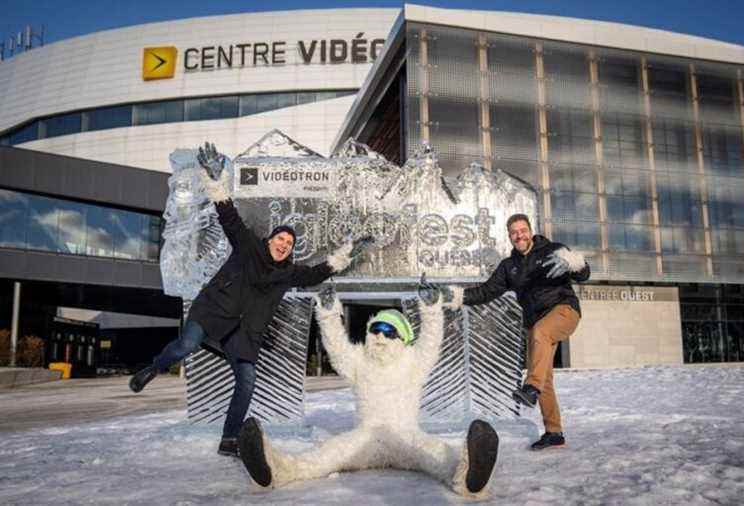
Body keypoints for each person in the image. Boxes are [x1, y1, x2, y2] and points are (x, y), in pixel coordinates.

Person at [129, 144, 372, 457]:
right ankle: (153, 368)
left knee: (247, 382)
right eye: (280, 239)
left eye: (289, 242)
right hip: (213, 311)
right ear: (270, 240)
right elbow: (229, 217)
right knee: (184, 347)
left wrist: (349, 252)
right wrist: (214, 180)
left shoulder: (289, 273)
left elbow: (317, 274)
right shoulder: (248, 248)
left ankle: (229, 438)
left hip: (243, 334)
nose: (284, 244)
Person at [236, 280, 500, 498]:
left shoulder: (413, 361)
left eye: (389, 331)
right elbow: (338, 348)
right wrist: (328, 314)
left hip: (405, 437)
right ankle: (274, 469)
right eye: (375, 329)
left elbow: (430, 341)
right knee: (329, 453)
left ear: (404, 338)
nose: (380, 337)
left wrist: (431, 309)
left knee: (437, 454)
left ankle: (470, 476)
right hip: (366, 437)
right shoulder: (360, 361)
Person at [447, 213, 589, 451]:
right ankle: (554, 433)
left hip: (564, 310)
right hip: (536, 324)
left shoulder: (553, 250)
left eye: (522, 230)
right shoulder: (508, 267)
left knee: (540, 336)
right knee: (545, 376)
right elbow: (484, 292)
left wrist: (573, 262)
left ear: (530, 231)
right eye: (514, 232)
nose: (519, 235)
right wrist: (453, 296)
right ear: (509, 236)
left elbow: (584, 274)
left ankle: (530, 387)